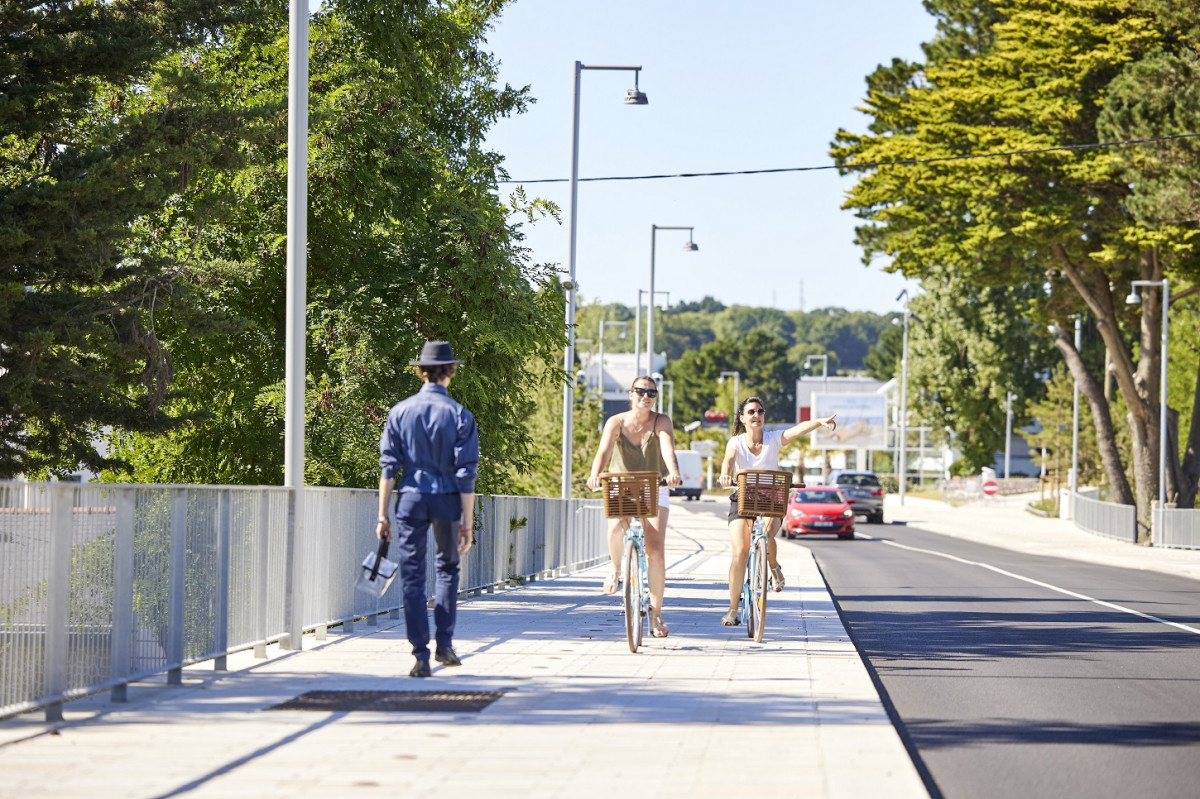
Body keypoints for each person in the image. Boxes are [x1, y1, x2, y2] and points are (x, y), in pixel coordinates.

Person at [377, 340, 479, 678]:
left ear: (421, 372)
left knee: (413, 574)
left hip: (411, 498)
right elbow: (467, 473)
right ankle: (445, 645)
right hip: (448, 498)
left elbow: (388, 466)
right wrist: (468, 521)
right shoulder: (460, 415)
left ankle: (420, 654)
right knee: (448, 568)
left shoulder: (399, 412)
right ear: (451, 372)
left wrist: (383, 514)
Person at [717, 396, 836, 626]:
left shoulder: (773, 439)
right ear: (742, 418)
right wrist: (725, 475)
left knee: (767, 535)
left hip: (771, 496)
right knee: (740, 551)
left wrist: (819, 421)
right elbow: (728, 461)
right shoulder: (736, 442)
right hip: (743, 496)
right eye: (751, 412)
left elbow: (797, 430)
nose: (756, 415)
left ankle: (773, 566)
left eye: (760, 411)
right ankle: (732, 609)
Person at [586, 375, 682, 638]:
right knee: (616, 525)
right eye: (640, 391)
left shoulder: (661, 421)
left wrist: (673, 472)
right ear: (631, 394)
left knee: (656, 549)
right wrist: (596, 474)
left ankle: (657, 613)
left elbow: (667, 448)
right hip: (622, 485)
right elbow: (603, 451)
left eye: (651, 393)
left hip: (655, 485)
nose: (646, 397)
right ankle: (616, 568)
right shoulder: (616, 422)